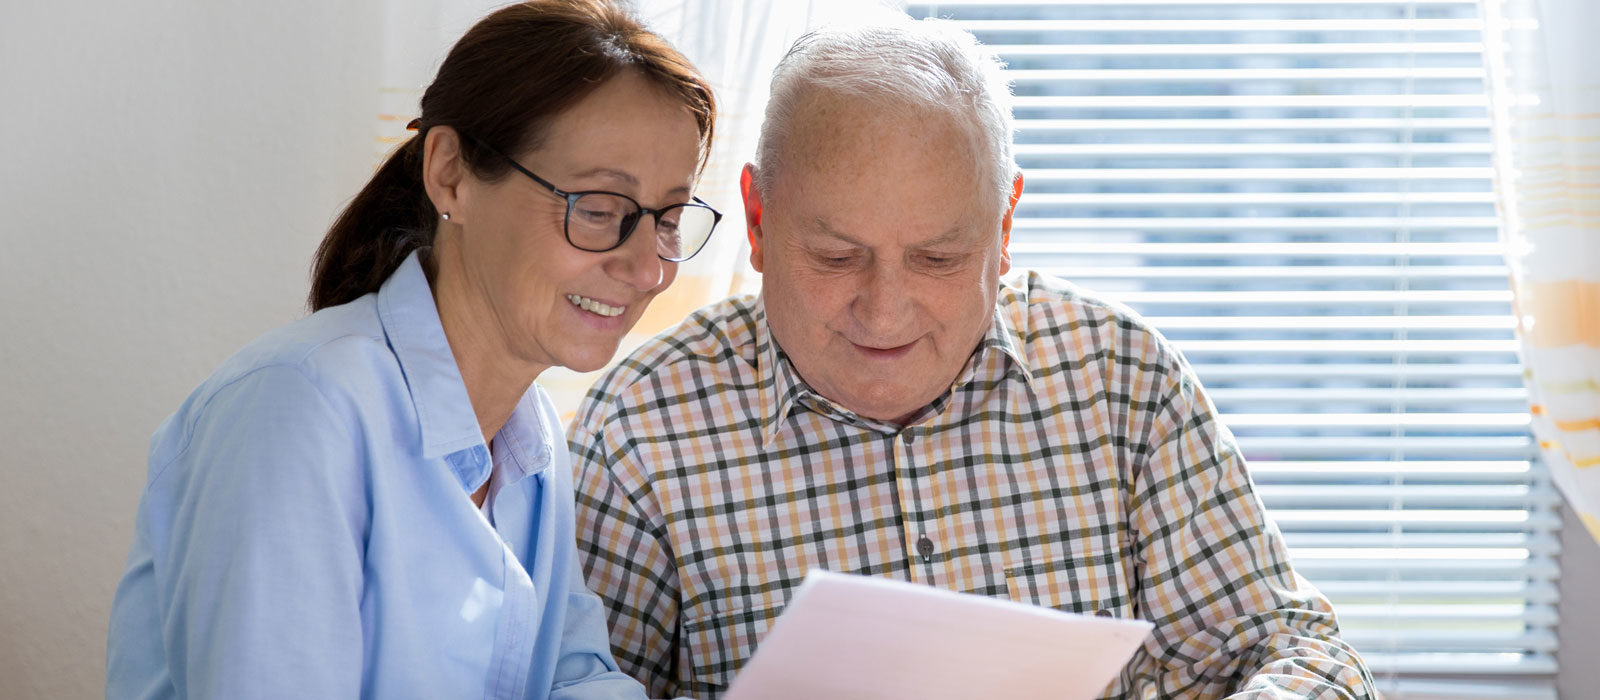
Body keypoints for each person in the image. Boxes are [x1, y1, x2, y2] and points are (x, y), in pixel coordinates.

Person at [569, 17, 1376, 700]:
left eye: (938, 259)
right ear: (755, 220)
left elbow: (1303, 653)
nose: (884, 312)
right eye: (836, 256)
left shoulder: (1122, 382)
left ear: (1004, 229)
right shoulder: (642, 425)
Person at [104, 2, 720, 698]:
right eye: (601, 210)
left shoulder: (533, 434)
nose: (647, 270)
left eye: (668, 220)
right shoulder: (300, 409)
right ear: (450, 173)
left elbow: (575, 679)